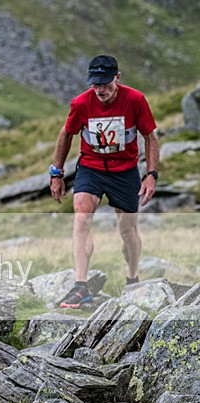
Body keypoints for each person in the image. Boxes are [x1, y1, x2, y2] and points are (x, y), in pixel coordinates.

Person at [50, 55, 160, 309]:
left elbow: (150, 137)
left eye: (105, 84)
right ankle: (81, 287)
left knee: (128, 231)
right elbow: (67, 133)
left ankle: (132, 279)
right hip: (92, 167)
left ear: (117, 78)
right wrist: (56, 172)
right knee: (81, 216)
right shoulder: (81, 103)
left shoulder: (135, 100)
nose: (100, 90)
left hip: (125, 171)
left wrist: (151, 175)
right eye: (95, 84)